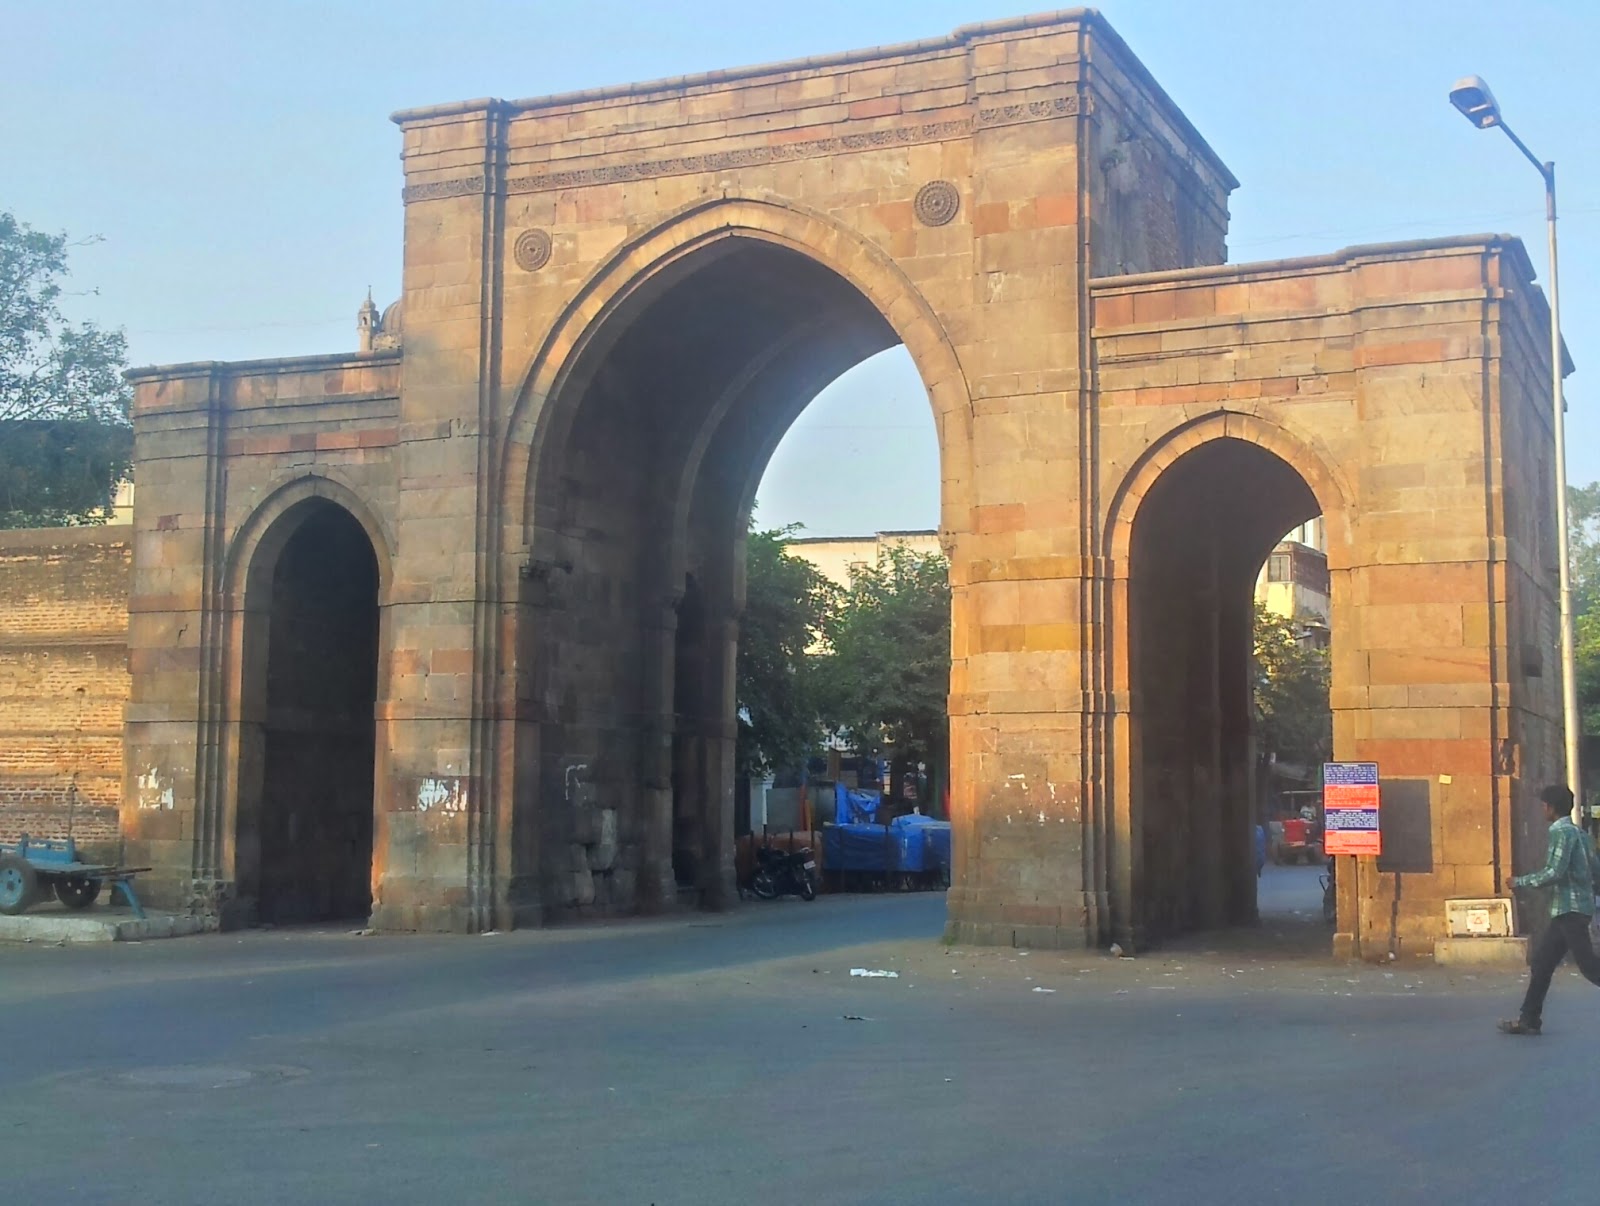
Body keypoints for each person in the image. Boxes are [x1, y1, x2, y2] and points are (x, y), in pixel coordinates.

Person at [1498, 784, 1600, 1035]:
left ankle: (1529, 1018)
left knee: (1589, 967)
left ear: (1551, 808)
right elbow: (1594, 869)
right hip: (1574, 908)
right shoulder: (1581, 834)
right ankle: (1529, 1018)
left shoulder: (1560, 832)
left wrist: (1520, 882)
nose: (1542, 809)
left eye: (1544, 805)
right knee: (1542, 963)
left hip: (1569, 909)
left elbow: (1555, 872)